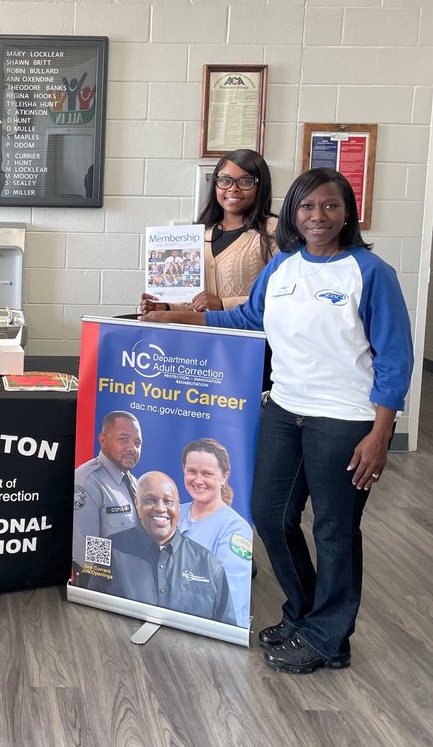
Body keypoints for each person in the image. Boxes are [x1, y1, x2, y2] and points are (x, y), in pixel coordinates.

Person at [143, 169, 413, 672]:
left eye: (329, 206)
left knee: (334, 529)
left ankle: (329, 638)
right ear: (292, 214)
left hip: (346, 418)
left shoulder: (370, 271)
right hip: (285, 410)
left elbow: (395, 358)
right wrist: (176, 315)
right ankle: (307, 613)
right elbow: (248, 320)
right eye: (307, 207)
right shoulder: (284, 266)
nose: (318, 216)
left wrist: (381, 431)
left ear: (347, 212)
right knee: (269, 514)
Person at [141, 149, 276, 316]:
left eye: (245, 181)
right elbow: (194, 302)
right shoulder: (200, 234)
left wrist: (223, 304)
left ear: (260, 186)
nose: (233, 189)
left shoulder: (272, 231)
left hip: (246, 339)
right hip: (203, 338)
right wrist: (168, 307)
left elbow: (281, 297)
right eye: (225, 180)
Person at [106, 472, 236, 625]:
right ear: (136, 502)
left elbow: (227, 629)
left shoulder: (209, 564)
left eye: (168, 501)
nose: (161, 508)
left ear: (178, 505)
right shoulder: (110, 550)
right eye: (150, 500)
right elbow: (91, 612)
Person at [177, 438, 253, 628]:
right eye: (191, 471)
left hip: (208, 630)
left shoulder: (237, 529)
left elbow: (232, 601)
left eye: (207, 473)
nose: (198, 480)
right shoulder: (174, 513)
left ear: (224, 477)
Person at [72, 411, 143, 578]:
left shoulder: (136, 483)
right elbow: (85, 550)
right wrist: (130, 566)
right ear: (103, 441)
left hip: (134, 583)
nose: (132, 448)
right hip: (101, 585)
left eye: (137, 443)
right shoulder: (86, 481)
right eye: (123, 439)